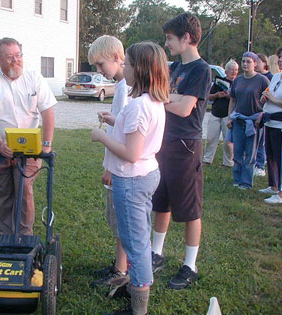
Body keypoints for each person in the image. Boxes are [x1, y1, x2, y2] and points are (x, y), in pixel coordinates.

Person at [91, 40, 168, 315]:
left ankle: (139, 308)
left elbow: (131, 153)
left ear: (142, 70)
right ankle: (137, 291)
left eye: (130, 64)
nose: (125, 67)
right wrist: (115, 122)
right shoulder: (153, 101)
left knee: (136, 246)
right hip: (146, 175)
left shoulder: (138, 106)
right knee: (138, 239)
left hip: (132, 179)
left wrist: (101, 136)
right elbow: (137, 136)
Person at [151, 12, 211, 290]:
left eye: (170, 38)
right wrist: (170, 98)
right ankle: (157, 252)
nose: (167, 44)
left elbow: (185, 109)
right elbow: (161, 94)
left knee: (189, 209)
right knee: (160, 202)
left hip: (186, 147)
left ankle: (190, 265)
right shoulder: (174, 68)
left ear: (186, 38)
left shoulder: (201, 69)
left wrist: (166, 99)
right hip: (163, 143)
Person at [0, 37, 56, 235]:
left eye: (18, 55)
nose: (15, 61)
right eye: (9, 57)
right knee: (0, 189)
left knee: (24, 187)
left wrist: (46, 145)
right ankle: (8, 234)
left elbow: (48, 112)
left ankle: (24, 235)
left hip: (29, 141)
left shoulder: (34, 77)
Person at [87, 35, 131, 292]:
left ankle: (122, 270)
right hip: (117, 166)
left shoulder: (126, 88)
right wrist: (112, 117)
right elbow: (121, 123)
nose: (99, 70)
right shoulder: (120, 87)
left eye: (101, 64)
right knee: (115, 220)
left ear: (116, 58)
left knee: (121, 222)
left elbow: (124, 136)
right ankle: (119, 265)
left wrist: (110, 168)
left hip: (121, 169)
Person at [257, 45, 282, 208]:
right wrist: (265, 99)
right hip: (270, 121)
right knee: (270, 156)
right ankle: (273, 185)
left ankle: (281, 193)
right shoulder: (276, 77)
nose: (280, 60)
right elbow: (269, 94)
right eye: (279, 57)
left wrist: (275, 100)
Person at [227, 52, 269, 189]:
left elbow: (269, 101)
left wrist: (261, 116)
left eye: (248, 62)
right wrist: (230, 117)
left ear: (255, 63)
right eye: (243, 61)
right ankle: (237, 179)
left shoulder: (262, 80)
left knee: (250, 153)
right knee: (237, 151)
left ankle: (246, 182)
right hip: (239, 120)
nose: (245, 64)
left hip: (254, 122)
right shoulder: (238, 80)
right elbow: (232, 100)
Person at [203, 59, 238, 167]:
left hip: (228, 114)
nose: (233, 72)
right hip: (215, 112)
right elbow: (208, 96)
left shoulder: (238, 83)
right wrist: (217, 95)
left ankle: (228, 162)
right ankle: (207, 160)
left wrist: (230, 97)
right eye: (231, 70)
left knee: (228, 141)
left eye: (236, 70)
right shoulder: (219, 82)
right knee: (211, 138)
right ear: (226, 71)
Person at [254, 53, 273, 176]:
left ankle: (260, 166)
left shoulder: (270, 77)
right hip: (254, 112)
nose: (256, 64)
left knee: (261, 141)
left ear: (265, 63)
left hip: (264, 113)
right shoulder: (254, 77)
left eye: (258, 62)